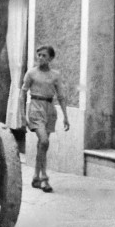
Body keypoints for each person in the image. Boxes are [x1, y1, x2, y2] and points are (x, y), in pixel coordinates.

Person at [19, 45, 70, 193]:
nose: (40, 58)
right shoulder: (31, 73)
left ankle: (35, 176)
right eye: (39, 55)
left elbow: (61, 96)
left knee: (42, 145)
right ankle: (44, 177)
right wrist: (23, 115)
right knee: (44, 141)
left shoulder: (55, 75)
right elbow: (23, 93)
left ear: (51, 58)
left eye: (44, 56)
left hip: (49, 110)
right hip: (35, 108)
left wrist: (66, 117)